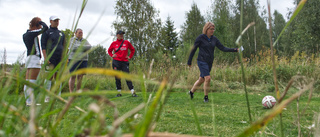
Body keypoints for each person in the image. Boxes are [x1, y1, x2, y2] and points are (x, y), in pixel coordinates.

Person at [187, 22, 239, 102]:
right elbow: (193, 49)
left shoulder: (214, 39)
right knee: (207, 78)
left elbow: (223, 48)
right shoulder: (200, 38)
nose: (212, 31)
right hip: (201, 61)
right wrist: (189, 61)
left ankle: (191, 92)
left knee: (201, 79)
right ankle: (206, 97)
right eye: (211, 29)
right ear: (206, 29)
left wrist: (235, 50)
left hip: (209, 62)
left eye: (213, 29)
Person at [23, 17, 48, 106]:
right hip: (34, 58)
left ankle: (28, 101)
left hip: (29, 58)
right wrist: (41, 22)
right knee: (32, 81)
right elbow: (45, 28)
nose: (40, 26)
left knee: (28, 81)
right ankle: (30, 102)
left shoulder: (25, 34)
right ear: (36, 25)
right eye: (39, 25)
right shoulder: (32, 33)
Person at [41, 15, 65, 102]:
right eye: (54, 21)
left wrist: (63, 58)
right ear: (50, 21)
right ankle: (46, 97)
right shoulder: (46, 32)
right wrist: (45, 58)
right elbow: (43, 46)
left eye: (57, 20)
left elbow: (63, 46)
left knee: (58, 77)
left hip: (59, 58)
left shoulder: (61, 33)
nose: (56, 22)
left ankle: (58, 96)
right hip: (50, 58)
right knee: (49, 77)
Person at [108, 30, 137, 97]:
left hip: (124, 62)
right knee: (117, 77)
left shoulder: (126, 42)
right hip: (116, 62)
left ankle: (133, 92)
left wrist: (129, 56)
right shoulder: (114, 43)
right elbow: (109, 51)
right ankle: (119, 93)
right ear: (117, 35)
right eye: (120, 34)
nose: (121, 35)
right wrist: (112, 55)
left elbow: (132, 49)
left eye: (122, 34)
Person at [68, 28, 91, 92]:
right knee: (73, 76)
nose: (81, 34)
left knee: (80, 77)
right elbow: (73, 48)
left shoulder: (85, 40)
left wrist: (79, 47)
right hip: (73, 60)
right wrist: (83, 47)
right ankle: (71, 92)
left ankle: (78, 92)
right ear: (75, 33)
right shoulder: (72, 40)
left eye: (82, 33)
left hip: (83, 60)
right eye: (79, 33)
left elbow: (89, 47)